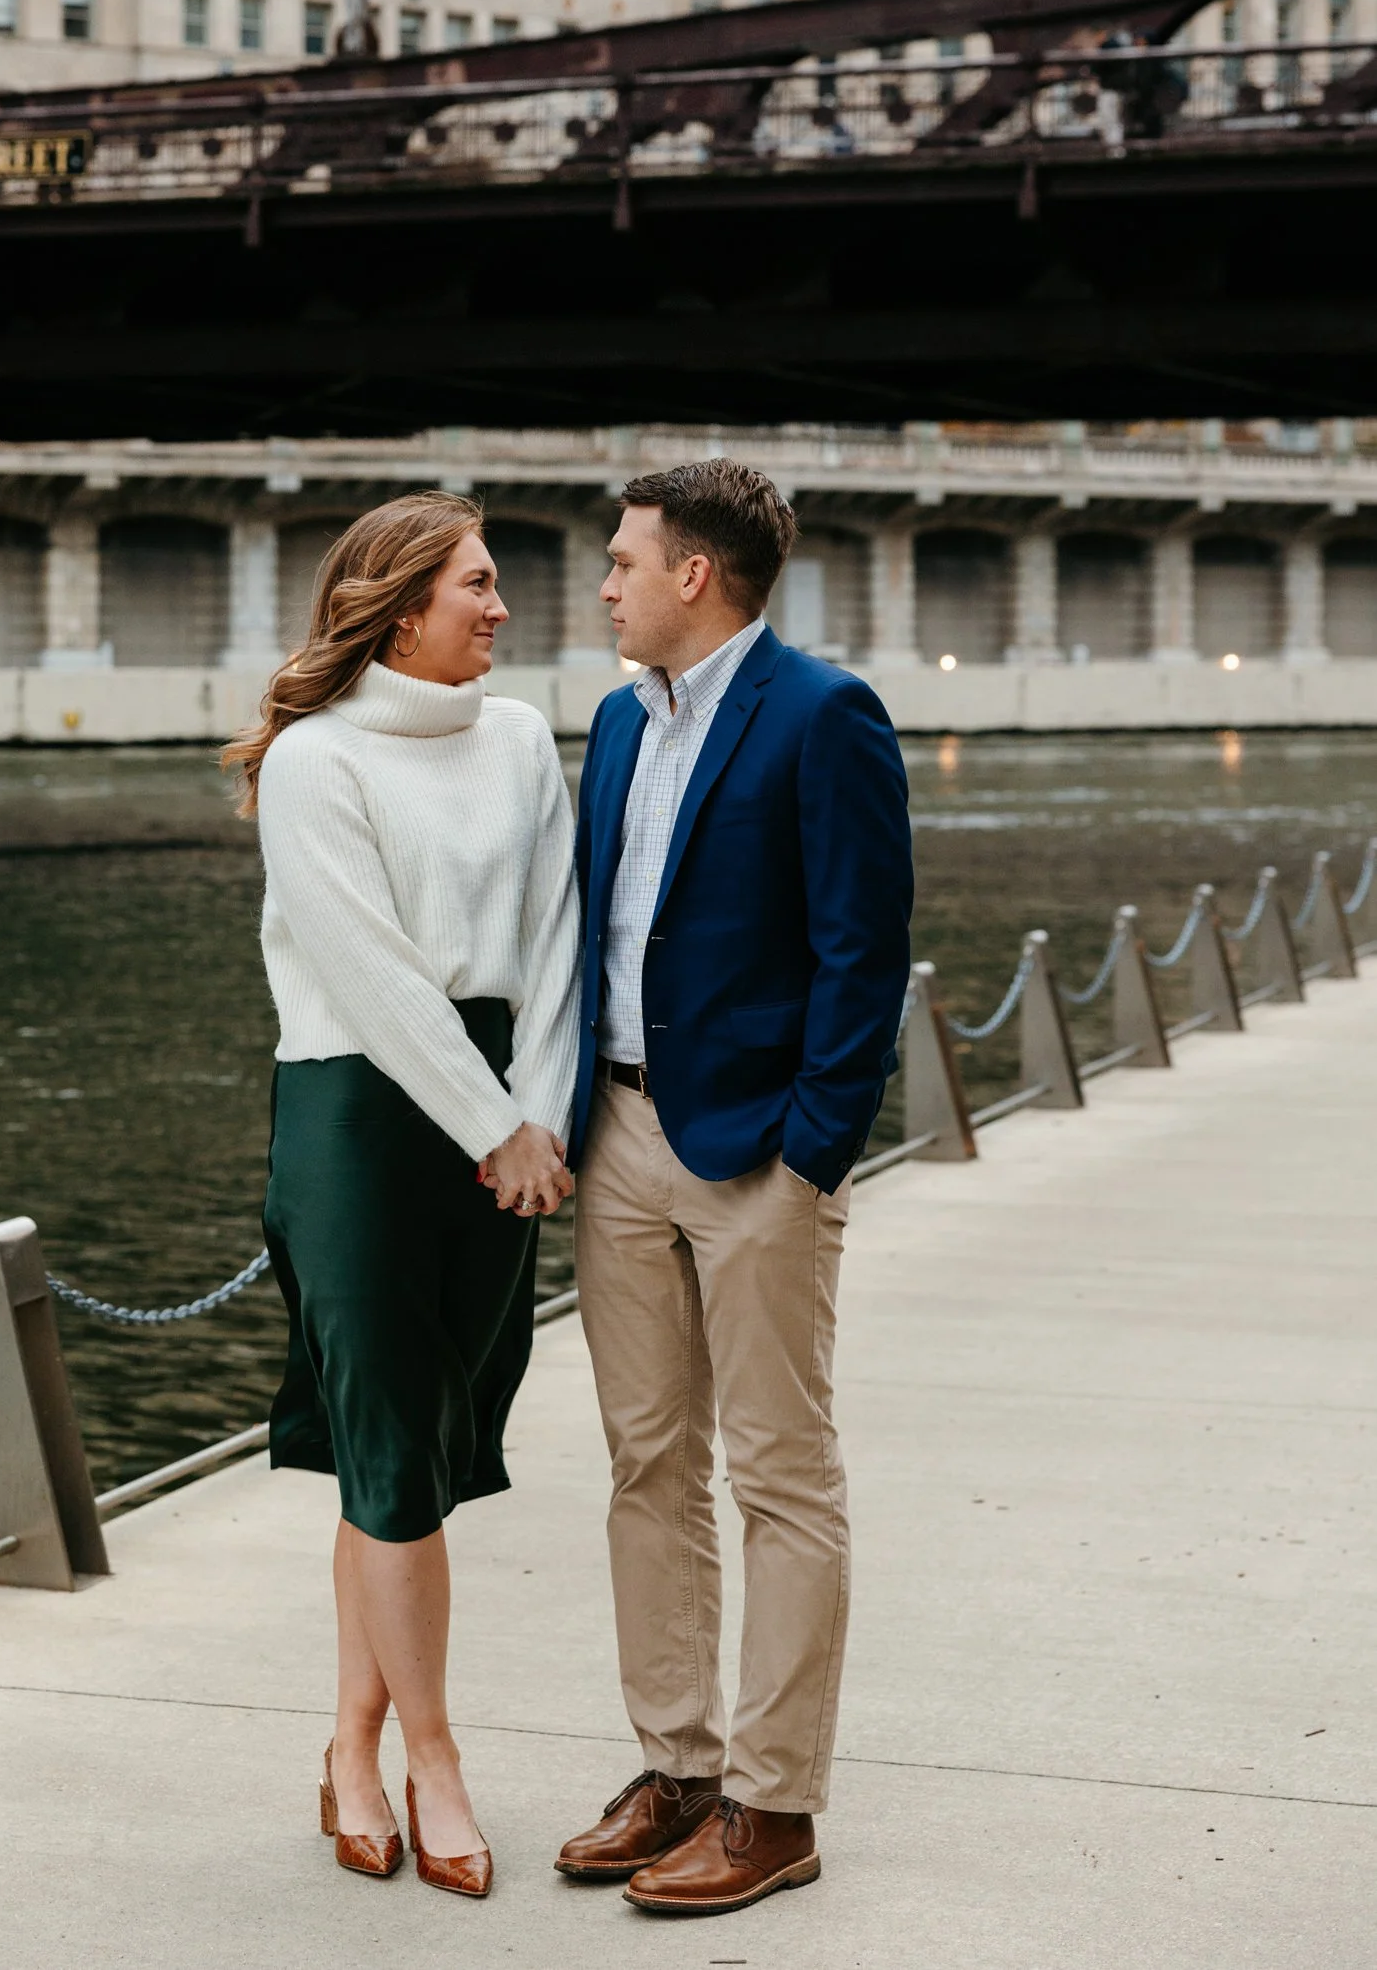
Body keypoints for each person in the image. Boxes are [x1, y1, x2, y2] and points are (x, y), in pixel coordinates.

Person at [554, 459, 912, 1918]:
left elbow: (861, 951)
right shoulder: (621, 727)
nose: (606, 584)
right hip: (619, 1141)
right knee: (646, 1467)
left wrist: (812, 1151)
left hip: (759, 1152)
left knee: (777, 1474)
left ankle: (775, 1804)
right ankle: (678, 1769)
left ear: (693, 574)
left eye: (625, 560)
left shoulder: (822, 715)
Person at [222, 492, 578, 1901]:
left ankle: (348, 1746)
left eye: (495, 585)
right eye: (475, 586)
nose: (499, 608)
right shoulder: (313, 763)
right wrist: (493, 1125)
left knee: (410, 1459)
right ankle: (432, 1759)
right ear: (397, 604)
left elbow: (555, 940)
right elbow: (367, 975)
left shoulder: (517, 740)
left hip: (507, 1113)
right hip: (360, 1116)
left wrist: (535, 1114)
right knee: (386, 1448)